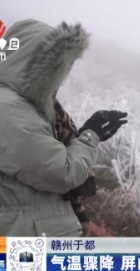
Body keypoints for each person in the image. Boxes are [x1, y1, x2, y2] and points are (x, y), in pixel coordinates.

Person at [0, 19, 127, 236]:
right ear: (30, 64)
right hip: (25, 246)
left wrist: (82, 221)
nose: (61, 77)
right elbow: (62, 172)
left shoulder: (32, 108)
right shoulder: (7, 108)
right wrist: (91, 134)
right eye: (56, 67)